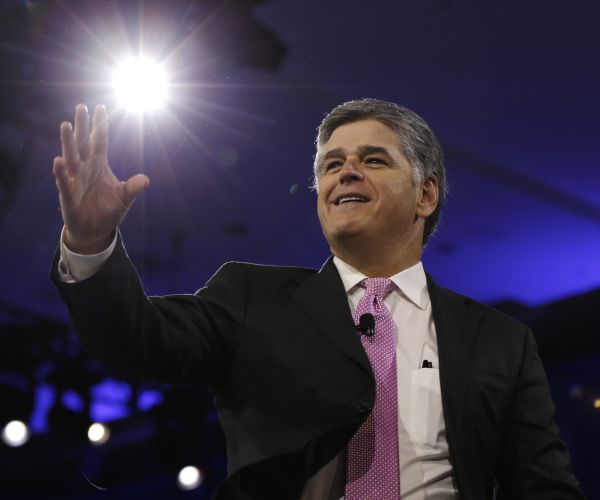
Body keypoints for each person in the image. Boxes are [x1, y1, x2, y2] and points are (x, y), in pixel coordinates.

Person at [51, 99, 587, 499]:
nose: (346, 171)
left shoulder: (500, 341)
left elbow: (544, 487)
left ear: (425, 194)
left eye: (373, 160)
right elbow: (136, 339)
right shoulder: (250, 298)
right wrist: (90, 243)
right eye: (331, 164)